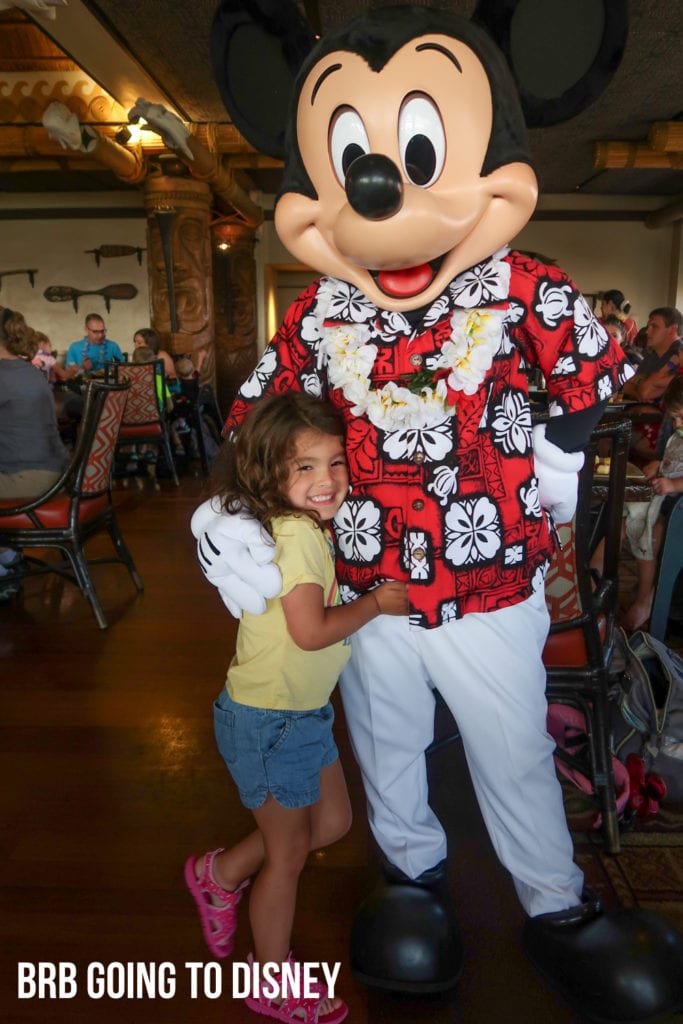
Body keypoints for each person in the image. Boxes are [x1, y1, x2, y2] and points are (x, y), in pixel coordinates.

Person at [195, 6, 683, 1022]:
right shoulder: (317, 312)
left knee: (507, 749)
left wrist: (553, 462)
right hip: (367, 589)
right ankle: (410, 878)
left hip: (488, 577)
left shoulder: (522, 288)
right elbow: (255, 410)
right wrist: (238, 520)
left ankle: (554, 906)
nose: (379, 189)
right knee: (384, 742)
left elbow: (593, 379)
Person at [187, 392, 407, 1023]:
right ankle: (269, 979)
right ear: (269, 473)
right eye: (304, 467)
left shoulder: (301, 527)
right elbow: (310, 632)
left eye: (335, 462)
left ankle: (221, 873)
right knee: (287, 856)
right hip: (269, 719)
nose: (326, 480)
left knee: (331, 825)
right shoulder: (301, 538)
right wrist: (375, 604)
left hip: (298, 712)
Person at [0, 306, 68, 599]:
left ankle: (4, 568)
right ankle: (7, 556)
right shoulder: (29, 370)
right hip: (54, 471)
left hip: (28, 478)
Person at [621, 374, 683, 631]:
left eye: (680, 417)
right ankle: (595, 572)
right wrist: (661, 465)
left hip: (676, 506)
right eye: (674, 418)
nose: (677, 423)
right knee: (629, 519)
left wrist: (674, 484)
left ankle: (648, 600)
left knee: (655, 531)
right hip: (670, 502)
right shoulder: (678, 436)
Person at [621, 306, 683, 463]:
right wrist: (642, 386)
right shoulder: (651, 355)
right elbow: (626, 386)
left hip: (665, 425)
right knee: (606, 436)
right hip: (639, 418)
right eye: (648, 326)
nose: (647, 331)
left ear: (672, 329)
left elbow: (646, 392)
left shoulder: (679, 354)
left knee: (610, 439)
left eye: (654, 326)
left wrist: (642, 383)